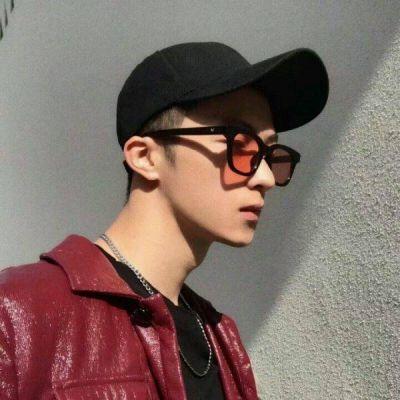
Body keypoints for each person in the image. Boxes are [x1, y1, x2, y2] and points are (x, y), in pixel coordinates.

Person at [0, 41, 329, 399]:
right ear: (145, 157)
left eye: (270, 155)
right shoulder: (17, 312)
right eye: (240, 145)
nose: (265, 177)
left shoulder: (222, 339)